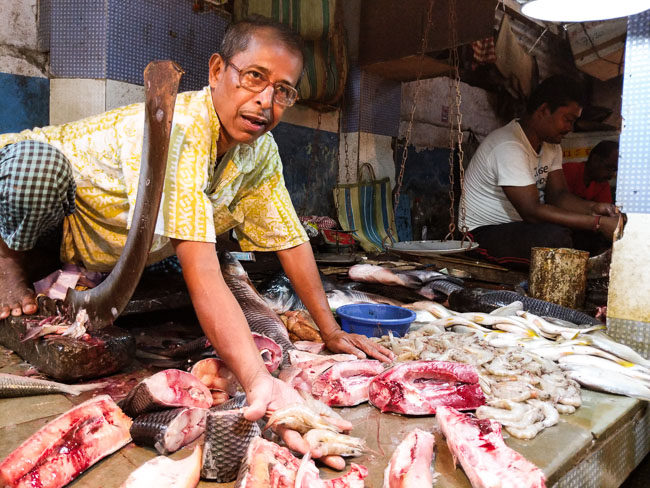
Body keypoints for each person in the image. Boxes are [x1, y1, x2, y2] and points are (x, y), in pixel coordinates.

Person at [0, 17, 393, 467]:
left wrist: (330, 329)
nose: (265, 101)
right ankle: (6, 259)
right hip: (40, 209)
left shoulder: (259, 152)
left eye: (283, 90)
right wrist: (257, 379)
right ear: (215, 71)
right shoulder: (182, 126)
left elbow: (291, 242)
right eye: (254, 77)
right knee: (33, 166)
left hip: (104, 242)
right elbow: (201, 269)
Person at [461, 75, 621, 269]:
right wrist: (597, 222)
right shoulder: (509, 145)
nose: (570, 128)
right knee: (554, 240)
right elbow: (532, 211)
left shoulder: (552, 146)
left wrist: (594, 208)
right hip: (479, 236)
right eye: (567, 120)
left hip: (519, 228)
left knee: (588, 238)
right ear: (544, 110)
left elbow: (559, 196)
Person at [563, 140, 618, 204]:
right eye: (609, 168)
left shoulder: (602, 183)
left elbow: (604, 210)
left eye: (615, 170)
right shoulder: (568, 171)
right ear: (595, 160)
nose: (612, 175)